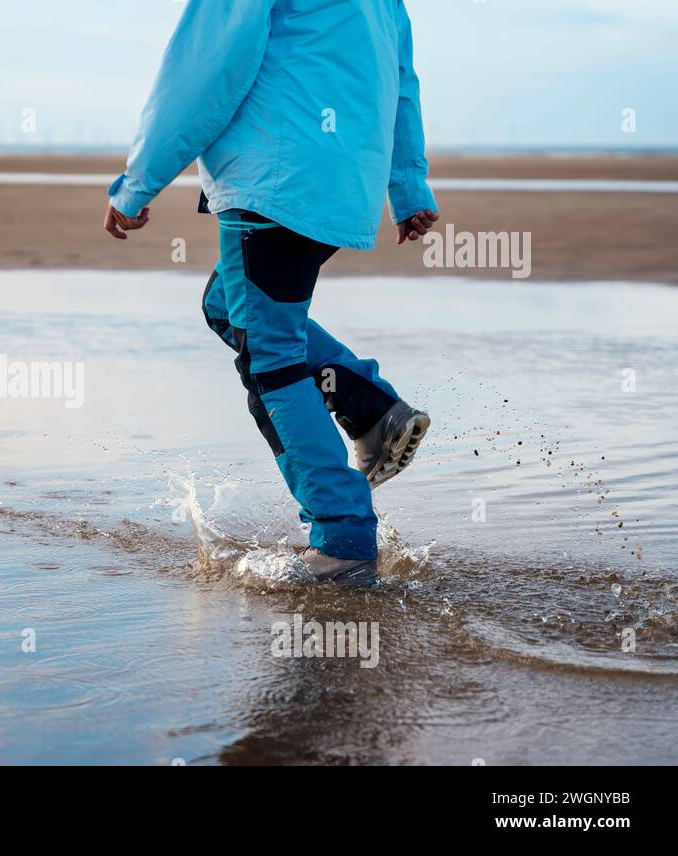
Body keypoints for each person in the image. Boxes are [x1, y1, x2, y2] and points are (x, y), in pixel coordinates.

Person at [104, 0, 438, 587]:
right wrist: (407, 187)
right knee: (227, 307)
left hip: (275, 181)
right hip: (342, 181)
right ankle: (371, 410)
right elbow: (401, 80)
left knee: (271, 361)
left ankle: (341, 538)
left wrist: (138, 182)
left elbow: (204, 71)